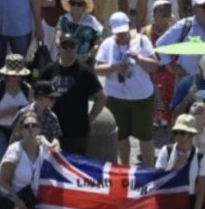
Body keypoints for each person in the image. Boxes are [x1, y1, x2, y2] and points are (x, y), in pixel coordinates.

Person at [94, 12, 159, 167]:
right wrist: (114, 67)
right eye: (118, 33)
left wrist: (138, 58)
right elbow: (98, 69)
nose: (122, 36)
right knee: (121, 136)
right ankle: (125, 168)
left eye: (124, 32)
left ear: (129, 27)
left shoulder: (143, 41)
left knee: (145, 136)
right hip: (116, 98)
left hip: (141, 97)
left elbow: (154, 66)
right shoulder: (107, 44)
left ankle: (148, 170)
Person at [41, 34, 107, 156]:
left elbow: (101, 97)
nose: (68, 49)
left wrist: (90, 119)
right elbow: (38, 95)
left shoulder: (85, 71)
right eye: (65, 45)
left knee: (74, 168)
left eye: (71, 45)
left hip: (77, 130)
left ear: (77, 47)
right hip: (52, 128)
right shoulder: (49, 70)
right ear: (59, 47)